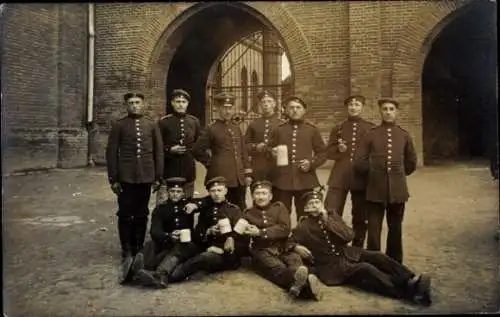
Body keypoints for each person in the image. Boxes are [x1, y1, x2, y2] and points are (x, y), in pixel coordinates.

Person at [288, 190, 432, 306]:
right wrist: (295, 247)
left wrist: (327, 220)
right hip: (331, 267)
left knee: (377, 256)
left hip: (347, 253)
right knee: (365, 268)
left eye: (317, 202)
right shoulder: (303, 227)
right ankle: (406, 292)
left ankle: (411, 278)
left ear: (322, 204)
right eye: (311, 204)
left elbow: (349, 236)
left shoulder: (331, 216)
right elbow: (287, 243)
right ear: (306, 208)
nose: (314, 206)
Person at [106, 92, 163, 280]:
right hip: (126, 177)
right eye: (131, 103)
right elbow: (112, 153)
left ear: (143, 104)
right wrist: (113, 178)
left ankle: (139, 247)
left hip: (146, 175)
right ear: (126, 105)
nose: (134, 106)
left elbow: (158, 152)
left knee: (142, 212)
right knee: (125, 213)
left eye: (138, 102)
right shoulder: (119, 125)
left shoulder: (151, 124)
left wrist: (157, 176)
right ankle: (127, 248)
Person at [354, 98, 417, 264]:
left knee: (395, 228)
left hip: (398, 190)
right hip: (374, 189)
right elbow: (359, 161)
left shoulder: (404, 135)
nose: (388, 112)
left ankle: (394, 262)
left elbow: (411, 163)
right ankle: (374, 262)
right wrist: (374, 172)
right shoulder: (371, 135)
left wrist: (397, 174)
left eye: (391, 109)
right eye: (385, 109)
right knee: (374, 229)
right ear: (380, 112)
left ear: (396, 112)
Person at [239, 180, 323, 300]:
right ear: (252, 196)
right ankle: (307, 288)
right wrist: (245, 232)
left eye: (264, 193)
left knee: (296, 263)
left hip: (284, 246)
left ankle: (301, 283)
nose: (261, 197)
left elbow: (284, 229)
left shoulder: (279, 207)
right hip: (262, 249)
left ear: (270, 196)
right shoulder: (247, 213)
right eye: (257, 193)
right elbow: (241, 234)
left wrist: (260, 232)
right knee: (277, 269)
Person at [123, 177, 205, 288]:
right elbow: (155, 231)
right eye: (172, 191)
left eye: (178, 192)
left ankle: (160, 275)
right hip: (167, 242)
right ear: (167, 192)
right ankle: (134, 268)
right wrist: (169, 236)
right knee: (151, 244)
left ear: (183, 193)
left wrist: (196, 205)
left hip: (186, 245)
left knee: (182, 246)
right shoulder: (161, 209)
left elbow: (209, 200)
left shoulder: (189, 205)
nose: (175, 194)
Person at [168, 176, 244, 282]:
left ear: (226, 191)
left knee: (204, 257)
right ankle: (161, 272)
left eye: (219, 190)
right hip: (206, 248)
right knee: (185, 246)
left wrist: (222, 250)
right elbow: (197, 233)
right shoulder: (206, 210)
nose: (216, 194)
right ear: (209, 193)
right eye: (213, 191)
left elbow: (243, 239)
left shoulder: (234, 210)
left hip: (226, 256)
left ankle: (171, 277)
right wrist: (208, 231)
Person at [324, 95, 375, 247]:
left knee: (360, 214)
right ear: (347, 108)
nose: (353, 107)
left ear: (362, 107)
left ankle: (357, 247)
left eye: (357, 104)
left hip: (361, 177)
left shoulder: (370, 128)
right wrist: (339, 150)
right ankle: (335, 244)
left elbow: (374, 153)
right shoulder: (338, 128)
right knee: (332, 211)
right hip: (340, 176)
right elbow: (329, 153)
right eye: (351, 105)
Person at [269, 95, 327, 221]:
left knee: (305, 214)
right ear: (286, 110)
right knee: (282, 214)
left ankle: (303, 240)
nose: (295, 110)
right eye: (291, 108)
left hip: (305, 180)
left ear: (304, 110)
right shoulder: (279, 130)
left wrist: (311, 163)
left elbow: (322, 153)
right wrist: (272, 152)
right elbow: (269, 149)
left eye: (298, 107)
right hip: (282, 180)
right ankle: (282, 240)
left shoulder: (312, 130)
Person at [193, 92, 253, 211]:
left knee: (240, 209)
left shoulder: (236, 128)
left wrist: (247, 173)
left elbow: (243, 151)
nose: (228, 112)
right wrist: (211, 163)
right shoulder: (212, 129)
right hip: (222, 177)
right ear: (217, 109)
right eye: (224, 108)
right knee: (222, 210)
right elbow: (197, 150)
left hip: (239, 178)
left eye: (230, 108)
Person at [157, 89, 201, 203]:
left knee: (187, 203)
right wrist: (169, 150)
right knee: (167, 204)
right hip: (170, 168)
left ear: (187, 104)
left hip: (188, 169)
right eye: (178, 101)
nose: (181, 104)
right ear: (172, 103)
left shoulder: (194, 122)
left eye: (183, 101)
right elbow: (157, 145)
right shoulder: (164, 122)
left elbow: (198, 144)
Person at [244, 90, 285, 181]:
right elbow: (245, 145)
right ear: (260, 105)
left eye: (269, 101)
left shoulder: (282, 124)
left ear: (274, 104)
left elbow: (287, 146)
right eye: (263, 102)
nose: (266, 104)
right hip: (258, 167)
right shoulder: (253, 124)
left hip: (277, 168)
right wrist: (255, 147)